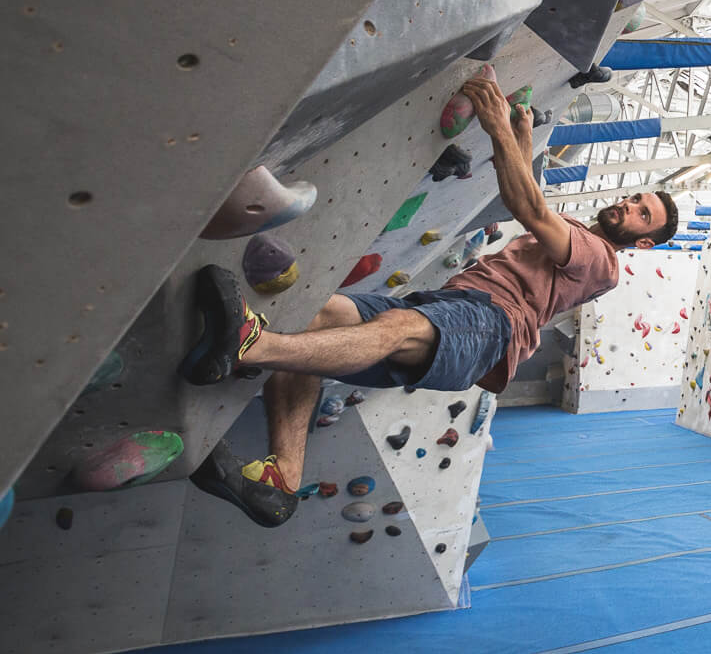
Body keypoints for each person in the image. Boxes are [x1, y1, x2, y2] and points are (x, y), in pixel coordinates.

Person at [178, 75, 678, 527]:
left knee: (397, 328)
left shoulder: (603, 262)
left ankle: (248, 347)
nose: (628, 205)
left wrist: (496, 124)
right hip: (453, 303)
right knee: (317, 318)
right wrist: (522, 135)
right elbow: (528, 192)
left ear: (645, 241)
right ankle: (281, 482)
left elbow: (527, 206)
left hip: (492, 324)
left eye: (642, 213)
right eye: (636, 198)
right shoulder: (576, 233)